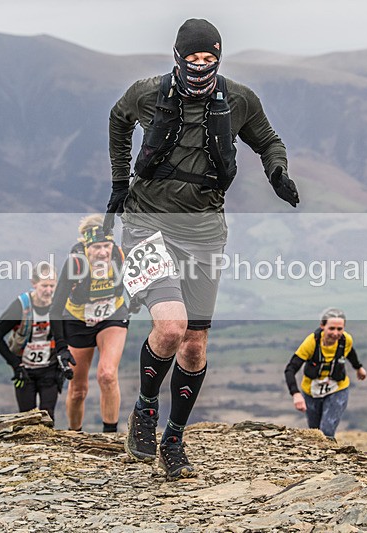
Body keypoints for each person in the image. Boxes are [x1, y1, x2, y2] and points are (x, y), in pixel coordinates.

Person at [104, 18, 300, 479]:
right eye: (191, 59)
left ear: (218, 57)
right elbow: (117, 119)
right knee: (170, 327)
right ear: (177, 57)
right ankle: (146, 409)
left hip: (205, 231)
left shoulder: (238, 99)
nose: (199, 67)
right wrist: (118, 181)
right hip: (146, 223)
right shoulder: (147, 93)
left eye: (208, 59)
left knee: (194, 345)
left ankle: (173, 437)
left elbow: (268, 140)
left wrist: (277, 173)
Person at [49, 214, 130, 433]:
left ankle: (110, 435)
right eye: (97, 247)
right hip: (77, 321)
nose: (103, 252)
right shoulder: (75, 265)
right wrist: (61, 347)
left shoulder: (119, 256)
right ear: (87, 246)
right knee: (78, 389)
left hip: (111, 316)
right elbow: (55, 308)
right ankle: (75, 434)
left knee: (107, 374)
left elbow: (136, 280)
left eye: (107, 245)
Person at [0, 261, 75, 425]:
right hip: (25, 370)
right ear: (34, 283)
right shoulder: (21, 306)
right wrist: (15, 364)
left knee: (47, 417)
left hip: (50, 369)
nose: (49, 291)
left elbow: (67, 335)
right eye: (44, 286)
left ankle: (48, 450)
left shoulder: (60, 307)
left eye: (52, 286)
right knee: (26, 419)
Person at [284, 308, 367, 440]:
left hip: (338, 388)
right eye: (331, 328)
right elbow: (290, 369)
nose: (335, 333)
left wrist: (358, 367)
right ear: (322, 326)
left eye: (340, 329)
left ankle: (330, 458)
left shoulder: (346, 340)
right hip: (311, 391)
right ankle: (318, 458)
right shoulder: (311, 343)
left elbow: (349, 352)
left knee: (327, 430)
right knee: (315, 432)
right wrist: (296, 394)